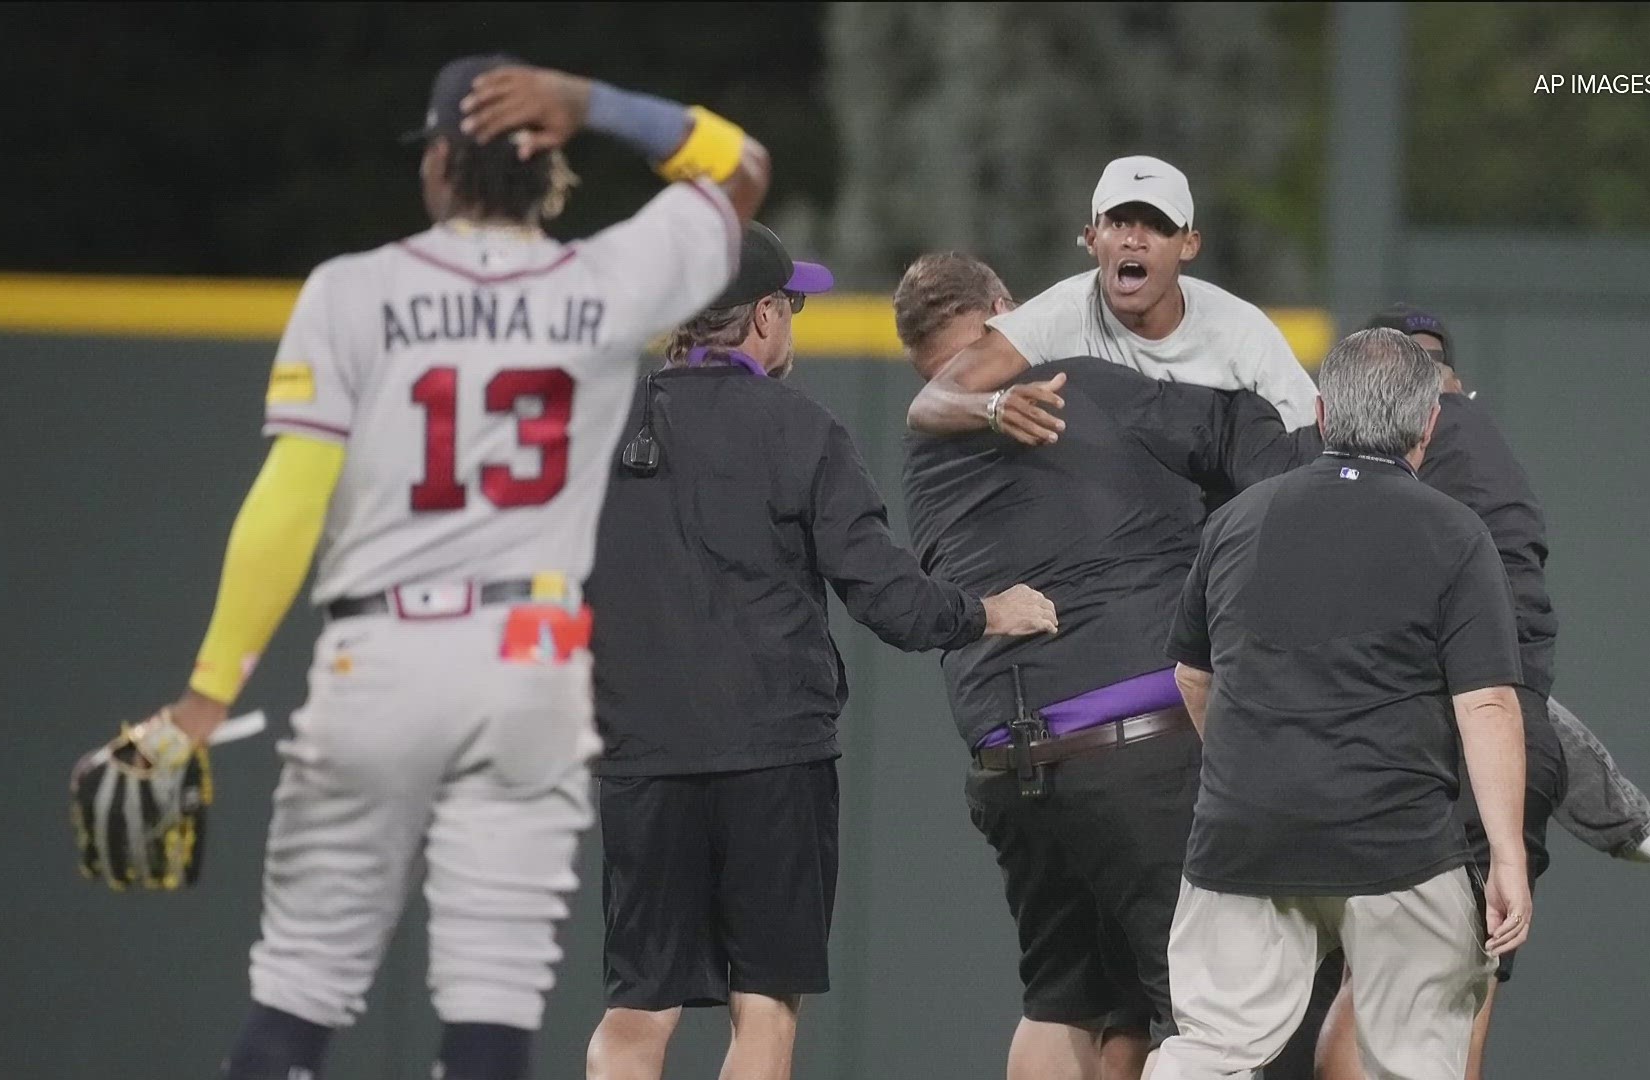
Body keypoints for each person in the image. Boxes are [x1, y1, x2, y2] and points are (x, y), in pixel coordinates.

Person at [103, 56, 770, 1080]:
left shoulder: (356, 291)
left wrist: (206, 693)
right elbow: (737, 171)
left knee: (302, 988)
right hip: (530, 664)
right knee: (493, 1006)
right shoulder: (603, 283)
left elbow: (289, 497)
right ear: (547, 165)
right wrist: (591, 106)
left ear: (442, 169)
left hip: (382, 654)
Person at [583, 228, 1059, 1080]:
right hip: (774, 760)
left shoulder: (602, 428)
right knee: (763, 1011)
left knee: (636, 1009)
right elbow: (892, 600)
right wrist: (989, 610)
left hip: (641, 759)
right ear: (763, 316)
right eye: (791, 305)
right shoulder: (800, 428)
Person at [894, 253, 1325, 1080]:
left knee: (1065, 1003)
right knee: (1225, 1013)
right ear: (1004, 309)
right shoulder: (1077, 378)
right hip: (1136, 750)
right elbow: (1243, 443)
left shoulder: (923, 453)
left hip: (1009, 764)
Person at [1304, 306, 1650, 1080]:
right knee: (1449, 989)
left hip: (1396, 753)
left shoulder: (1349, 468)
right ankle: (1637, 826)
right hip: (1495, 750)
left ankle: (1637, 825)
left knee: (1373, 984)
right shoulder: (1485, 463)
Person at [1155, 328, 1532, 1080]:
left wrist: (1251, 776)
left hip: (1245, 836)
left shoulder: (1238, 521)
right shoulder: (1456, 533)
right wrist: (1508, 855)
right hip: (1396, 844)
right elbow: (1487, 703)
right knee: (1417, 1063)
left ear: (1322, 415)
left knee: (1210, 1053)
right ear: (1428, 426)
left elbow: (1192, 678)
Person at [905, 155, 1317, 445]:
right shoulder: (1060, 314)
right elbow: (929, 403)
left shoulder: (1240, 332)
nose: (1134, 240)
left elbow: (1314, 441)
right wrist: (993, 407)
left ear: (1188, 246)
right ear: (1090, 239)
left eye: (1157, 226)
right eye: (1118, 222)